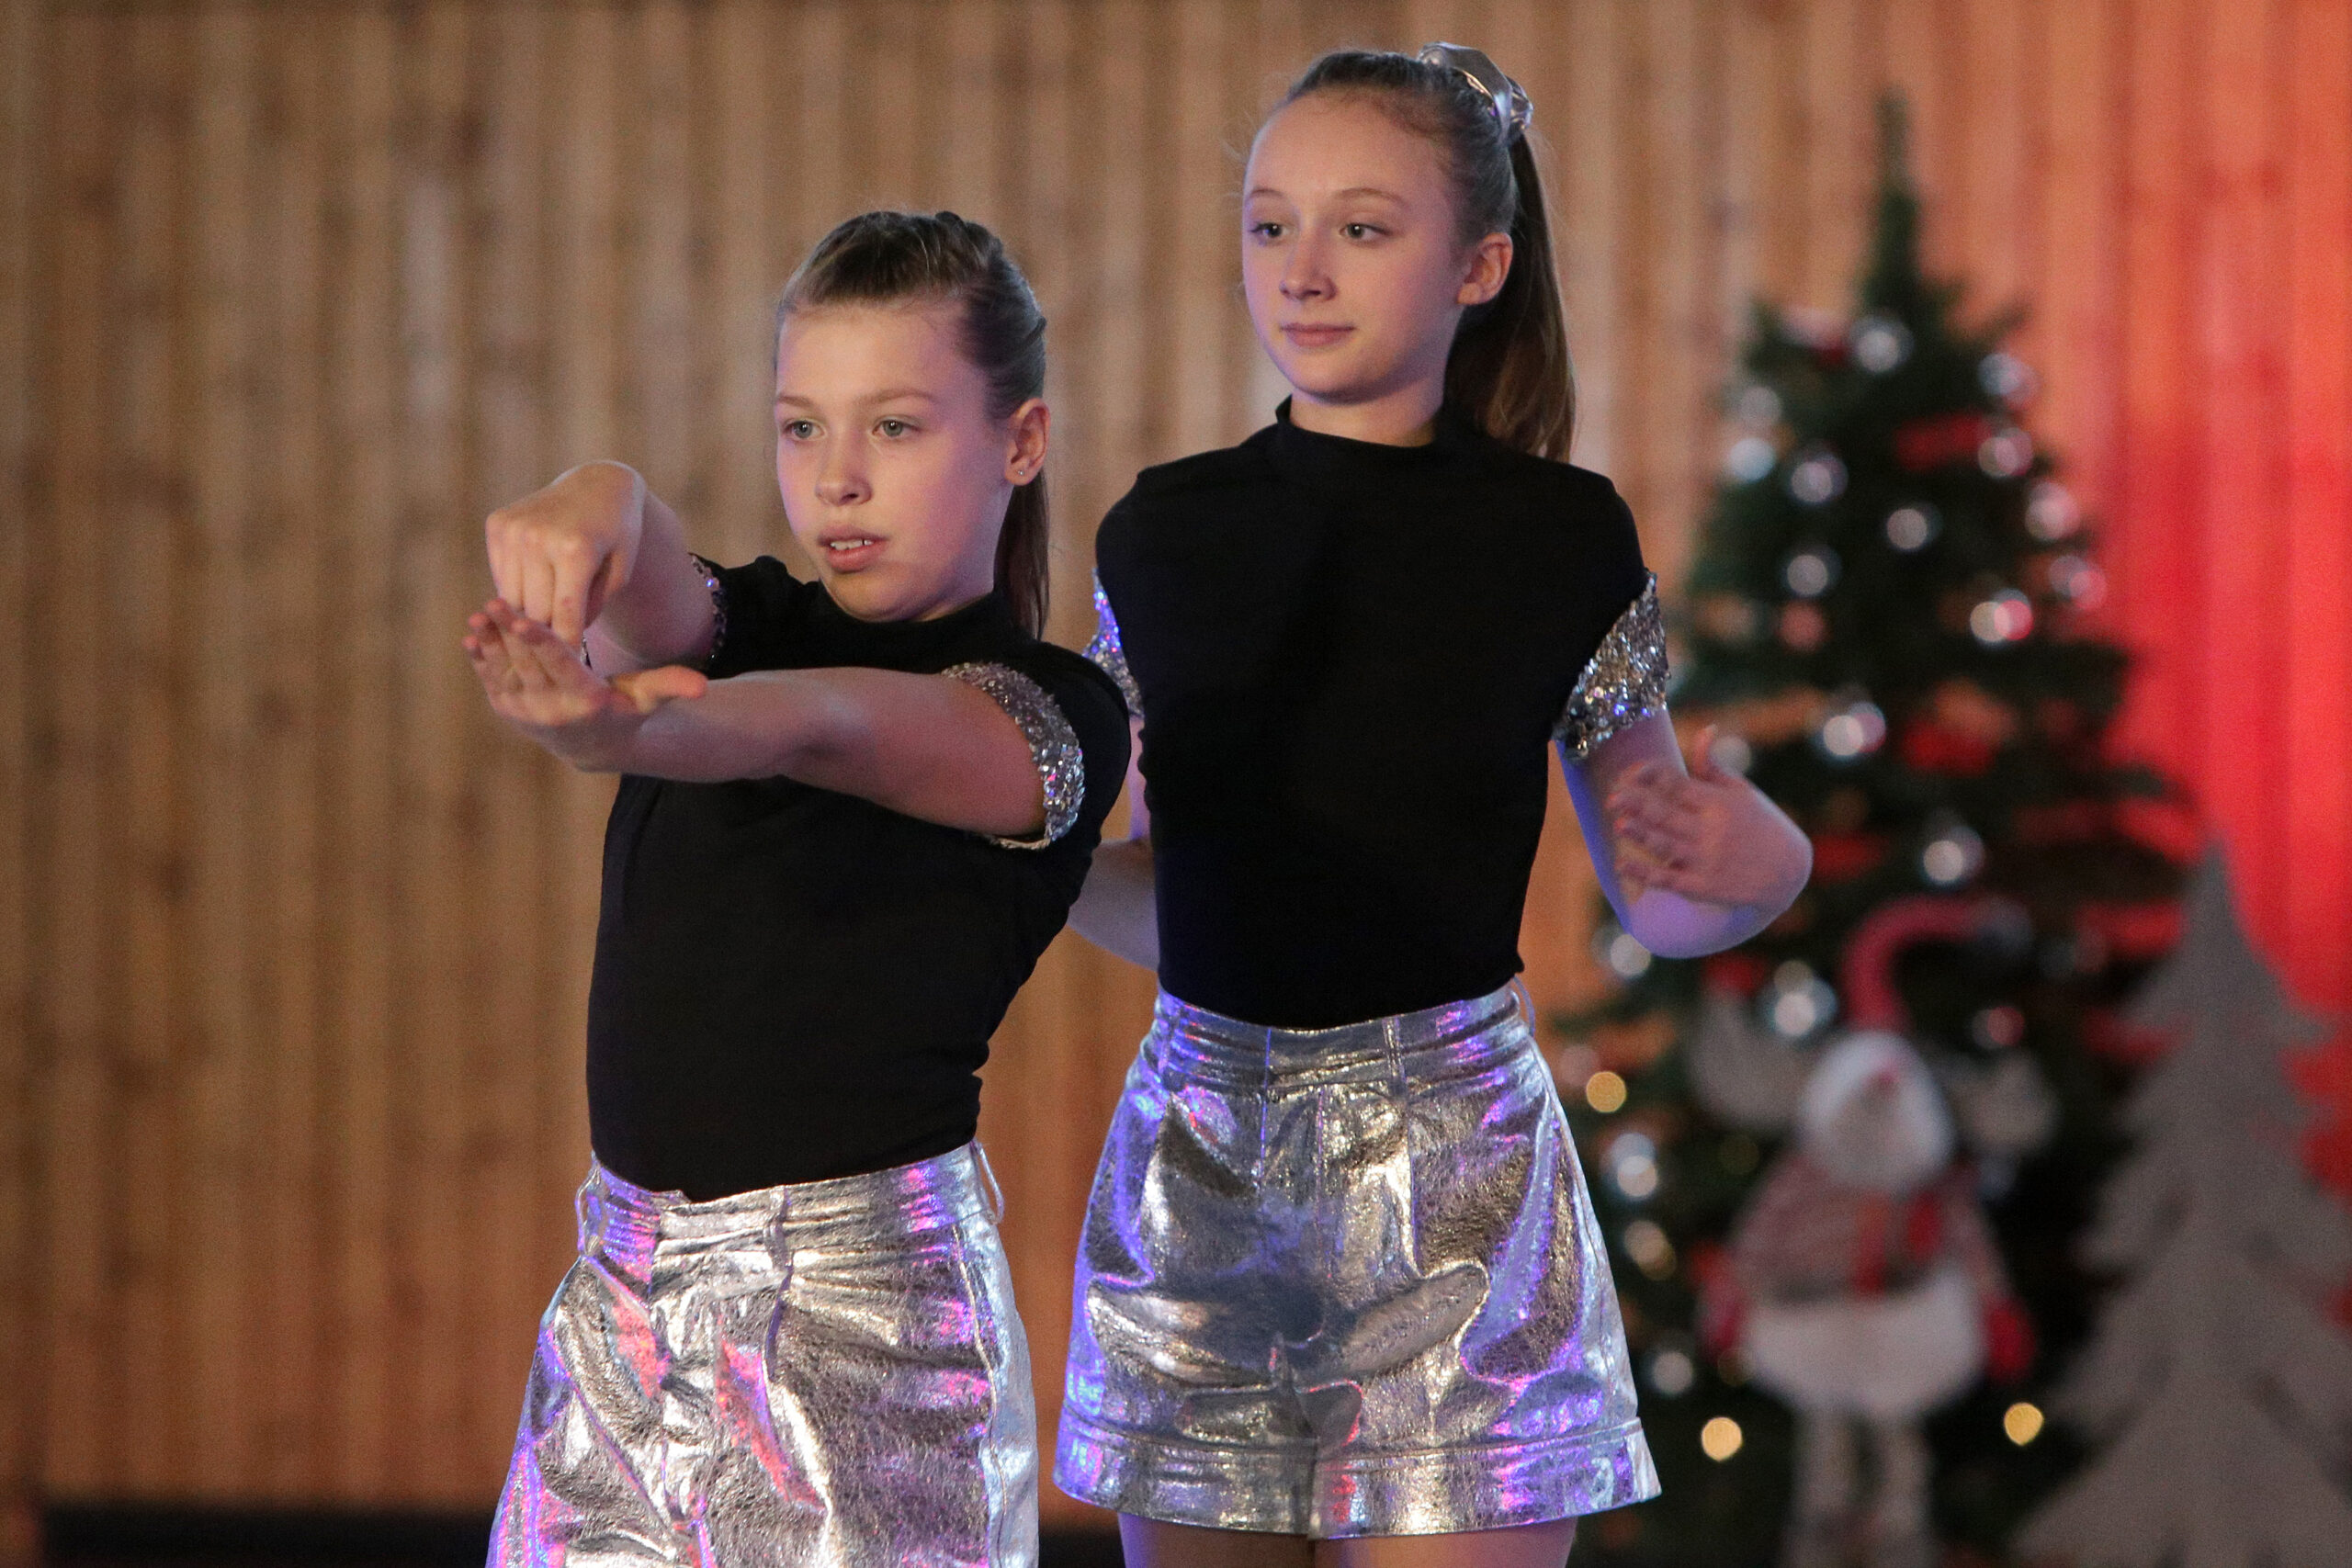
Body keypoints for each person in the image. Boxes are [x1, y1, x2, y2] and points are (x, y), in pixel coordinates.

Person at [1057, 47, 1814, 1568]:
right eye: (1271, 225)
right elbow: (1152, 892)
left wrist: (1766, 862)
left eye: (1362, 228)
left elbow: (1667, 891)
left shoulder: (1557, 539)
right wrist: (1047, 854)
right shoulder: (1164, 535)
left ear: (1480, 266)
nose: (1303, 270)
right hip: (1202, 1165)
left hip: (1456, 1183)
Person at [465, 210, 1129, 1568]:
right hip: (621, 1306)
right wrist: (604, 494)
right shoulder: (754, 621)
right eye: (800, 428)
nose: (837, 480)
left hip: (862, 1341)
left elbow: (828, 725)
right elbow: (656, 584)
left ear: (1020, 442)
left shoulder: (1051, 715)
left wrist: (633, 730)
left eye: (895, 428)